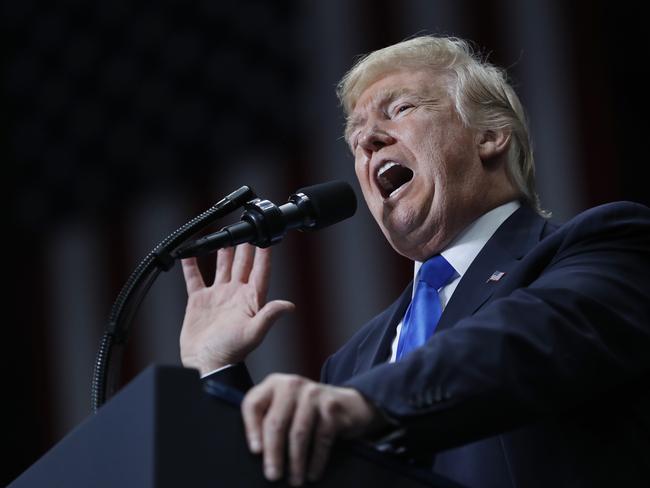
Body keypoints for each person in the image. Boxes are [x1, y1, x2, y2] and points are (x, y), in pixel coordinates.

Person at [179, 36, 650, 487]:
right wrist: (218, 372)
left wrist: (365, 403)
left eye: (399, 109)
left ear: (490, 135)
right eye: (355, 138)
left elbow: (527, 339)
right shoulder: (349, 364)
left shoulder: (603, 246)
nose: (368, 143)